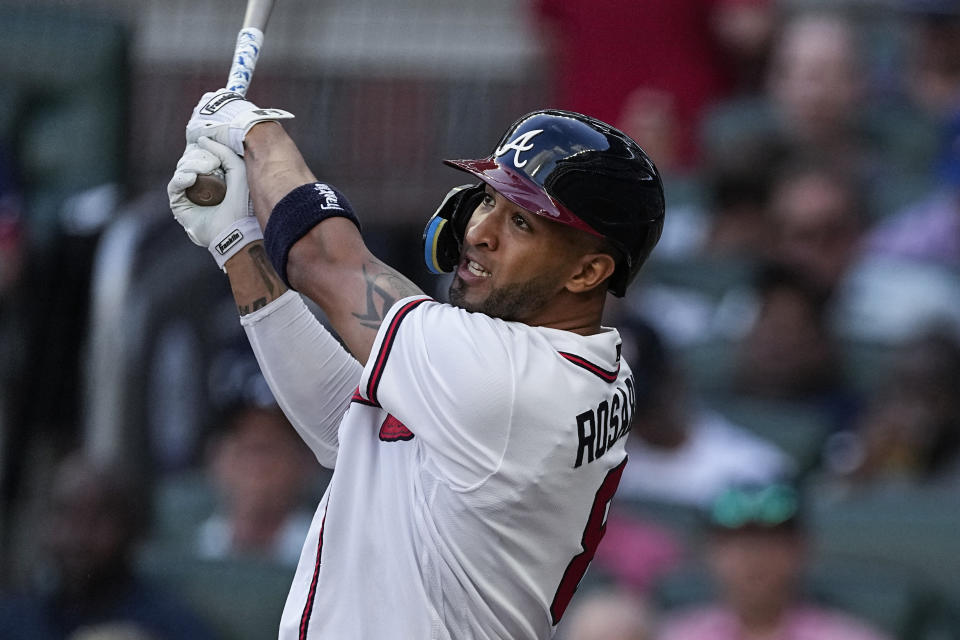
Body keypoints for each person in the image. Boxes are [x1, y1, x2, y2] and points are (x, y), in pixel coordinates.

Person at [166, 90, 665, 639]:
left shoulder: (514, 383)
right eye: (489, 200)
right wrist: (239, 245)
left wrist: (254, 130)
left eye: (522, 224)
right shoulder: (559, 364)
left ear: (588, 273)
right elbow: (348, 426)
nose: (478, 232)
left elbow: (324, 258)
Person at [0, 453, 215, 640]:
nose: (77, 535)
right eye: (64, 513)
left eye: (96, 518)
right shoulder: (14, 621)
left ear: (132, 528)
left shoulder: (171, 626)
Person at [656, 482, 893, 640]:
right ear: (707, 553)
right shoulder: (673, 634)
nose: (755, 557)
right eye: (739, 544)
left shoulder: (849, 636)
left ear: (802, 551)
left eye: (772, 543)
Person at [197, 401, 317, 567]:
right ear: (217, 459)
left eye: (267, 448)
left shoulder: (325, 553)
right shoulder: (194, 548)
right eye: (244, 448)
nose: (256, 467)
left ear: (302, 462)